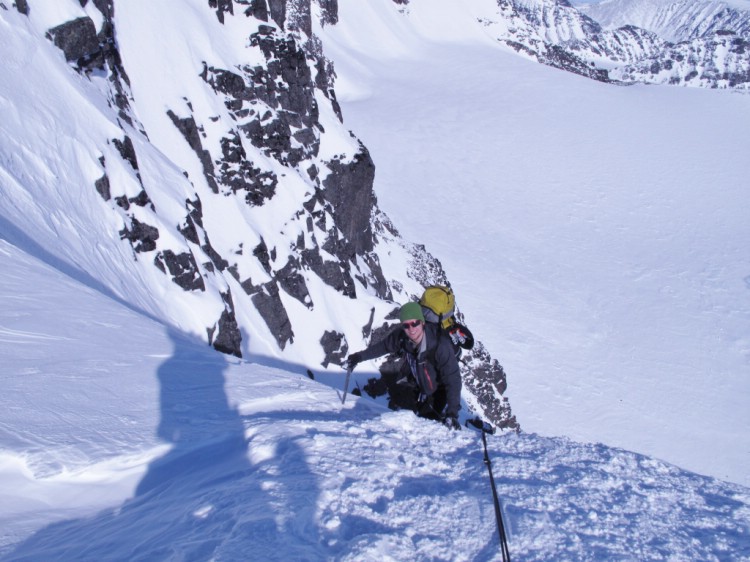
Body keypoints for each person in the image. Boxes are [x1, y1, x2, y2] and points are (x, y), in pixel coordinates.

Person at [346, 302, 462, 430]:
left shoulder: (440, 345)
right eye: (406, 325)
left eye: (415, 323)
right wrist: (359, 357)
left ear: (422, 322)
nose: (411, 329)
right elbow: (383, 347)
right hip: (420, 387)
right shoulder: (402, 338)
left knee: (429, 429)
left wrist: (452, 414)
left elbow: (453, 378)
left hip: (440, 393)